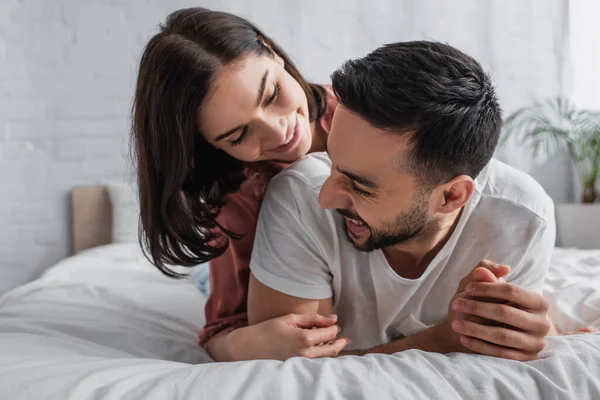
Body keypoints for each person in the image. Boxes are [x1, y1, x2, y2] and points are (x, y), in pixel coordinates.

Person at [247, 41, 560, 361]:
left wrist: (525, 330)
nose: (326, 198)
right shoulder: (299, 198)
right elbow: (291, 373)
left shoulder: (524, 217)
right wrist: (442, 339)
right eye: (332, 162)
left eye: (361, 187)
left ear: (451, 196)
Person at [131, 7, 345, 362]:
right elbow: (220, 331)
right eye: (239, 134)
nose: (279, 131)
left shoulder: (361, 108)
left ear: (271, 52)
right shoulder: (238, 198)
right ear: (212, 145)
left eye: (272, 94)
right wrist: (253, 342)